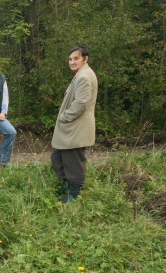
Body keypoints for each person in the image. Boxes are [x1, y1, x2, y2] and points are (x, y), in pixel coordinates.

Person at [51, 46, 98, 203]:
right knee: (57, 156)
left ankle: (74, 195)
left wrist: (64, 117)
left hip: (76, 128)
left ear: (85, 58)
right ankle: (67, 186)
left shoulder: (84, 76)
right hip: (72, 128)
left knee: (74, 163)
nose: (72, 62)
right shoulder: (81, 74)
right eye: (70, 59)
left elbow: (81, 104)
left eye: (76, 58)